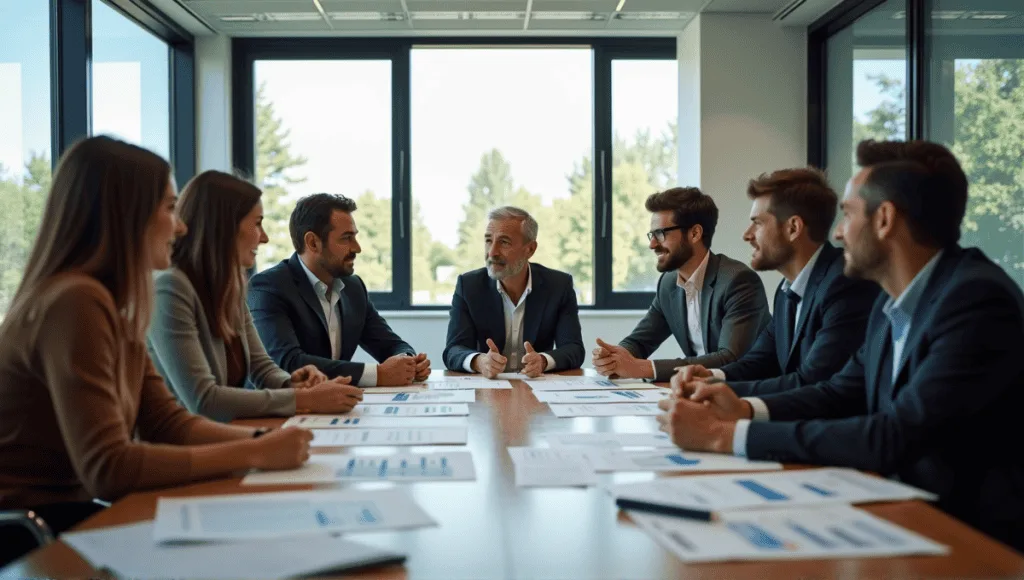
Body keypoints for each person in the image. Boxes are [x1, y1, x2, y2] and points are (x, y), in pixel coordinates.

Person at [659, 140, 1024, 552]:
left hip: (973, 540)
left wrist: (724, 437)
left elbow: (895, 434)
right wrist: (739, 407)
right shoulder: (893, 300)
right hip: (900, 511)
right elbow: (840, 390)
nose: (835, 231)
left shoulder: (974, 299)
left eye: (848, 214)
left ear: (884, 219)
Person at [0, 137, 313, 565]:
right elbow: (109, 468)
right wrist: (254, 451)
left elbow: (167, 422)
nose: (181, 226)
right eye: (169, 208)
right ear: (124, 215)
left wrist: (264, 439)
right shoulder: (75, 301)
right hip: (29, 536)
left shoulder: (113, 301)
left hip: (65, 519)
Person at [148, 172, 363, 422]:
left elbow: (262, 369)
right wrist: (307, 400)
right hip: (183, 449)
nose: (264, 237)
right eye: (257, 223)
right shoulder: (170, 288)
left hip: (226, 436)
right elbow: (204, 400)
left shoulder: (230, 287)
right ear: (225, 226)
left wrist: (294, 383)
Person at [673, 168, 879, 396]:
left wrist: (719, 392)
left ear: (793, 228)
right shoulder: (787, 292)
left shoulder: (845, 285)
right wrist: (711, 376)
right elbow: (760, 360)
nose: (747, 235)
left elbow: (812, 381)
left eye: (758, 223)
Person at [248, 194, 429, 387]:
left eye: (355, 237)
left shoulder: (353, 287)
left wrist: (407, 362)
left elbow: (389, 343)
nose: (357, 248)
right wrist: (377, 374)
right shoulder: (268, 287)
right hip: (276, 411)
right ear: (313, 243)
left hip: (332, 407)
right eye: (346, 238)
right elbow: (288, 363)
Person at [593, 187, 770, 382]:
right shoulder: (668, 283)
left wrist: (644, 368)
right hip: (699, 392)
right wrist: (615, 356)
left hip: (747, 394)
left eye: (660, 233)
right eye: (651, 235)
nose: (652, 244)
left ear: (694, 233)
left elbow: (729, 358)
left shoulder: (738, 281)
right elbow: (641, 341)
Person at [443, 206, 585, 378]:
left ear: (530, 249)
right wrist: (479, 362)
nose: (492, 252)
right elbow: (453, 350)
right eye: (488, 240)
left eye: (504, 242)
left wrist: (543, 361)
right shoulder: (469, 286)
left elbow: (574, 349)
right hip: (488, 393)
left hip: (537, 389)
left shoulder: (558, 286)